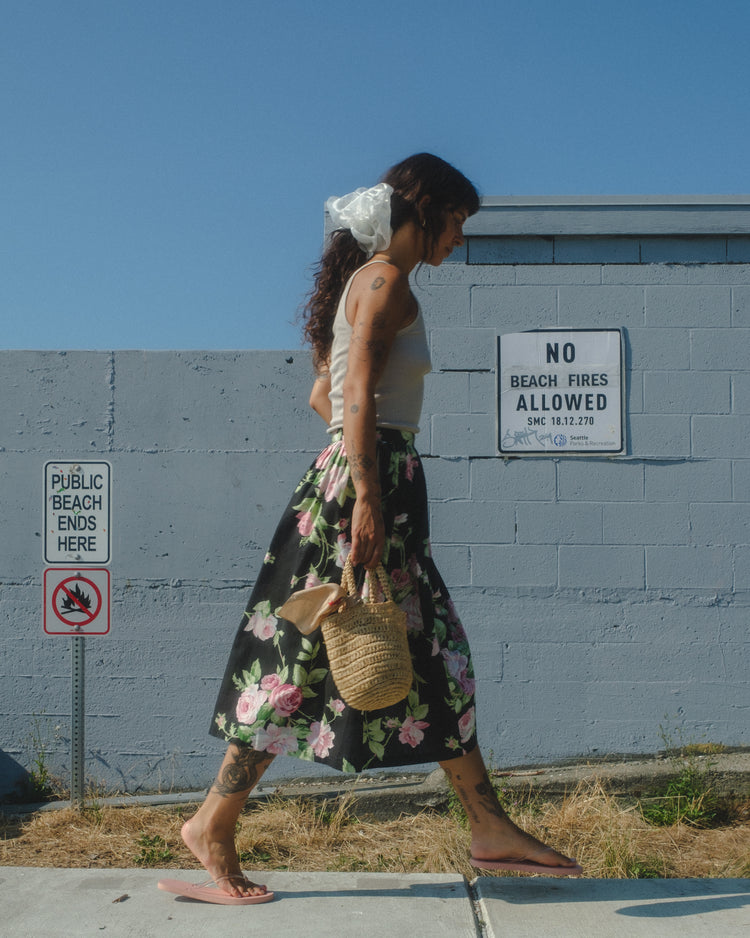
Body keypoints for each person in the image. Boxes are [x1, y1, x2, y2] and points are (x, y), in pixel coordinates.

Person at [179, 153, 581, 901]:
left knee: (427, 655)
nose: (459, 239)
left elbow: (320, 397)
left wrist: (363, 465)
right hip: (369, 484)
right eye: (457, 221)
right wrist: (366, 490)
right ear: (424, 209)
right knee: (305, 663)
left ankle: (488, 826)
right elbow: (352, 392)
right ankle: (212, 823)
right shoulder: (386, 281)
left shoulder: (367, 282)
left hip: (369, 476)